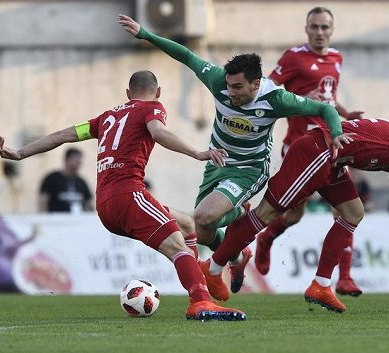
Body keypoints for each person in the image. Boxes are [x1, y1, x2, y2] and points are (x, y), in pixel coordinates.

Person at [118, 15, 353, 300]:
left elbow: (325, 110)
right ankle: (238, 254)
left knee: (202, 216)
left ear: (256, 84)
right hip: (217, 163)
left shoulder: (276, 98)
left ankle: (241, 214)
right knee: (204, 233)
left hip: (250, 169)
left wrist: (337, 131)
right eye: (228, 86)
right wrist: (146, 34)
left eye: (238, 88)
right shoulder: (219, 80)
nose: (231, 93)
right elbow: (186, 55)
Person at [0, 70, 246, 321]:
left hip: (105, 205)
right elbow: (158, 133)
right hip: (129, 195)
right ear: (158, 92)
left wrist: (20, 153)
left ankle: (199, 273)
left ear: (127, 94)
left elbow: (63, 135)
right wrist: (197, 153)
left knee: (187, 223)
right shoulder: (153, 107)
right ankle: (201, 301)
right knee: (177, 247)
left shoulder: (106, 118)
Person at [204, 118, 389, 311]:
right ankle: (214, 268)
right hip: (317, 149)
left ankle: (322, 285)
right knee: (267, 213)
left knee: (353, 212)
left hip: (334, 162)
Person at [262, 6, 365, 296]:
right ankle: (267, 238)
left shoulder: (337, 58)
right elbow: (269, 89)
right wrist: (297, 102)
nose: (320, 33)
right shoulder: (294, 57)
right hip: (299, 145)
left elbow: (328, 96)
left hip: (332, 144)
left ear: (332, 30)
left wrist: (345, 112)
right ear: (306, 29)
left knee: (345, 210)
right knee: (294, 214)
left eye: (325, 28)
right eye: (315, 27)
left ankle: (344, 277)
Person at [38, 147, 93, 213]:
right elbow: (43, 200)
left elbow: (88, 203)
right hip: (57, 220)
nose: (78, 163)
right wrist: (45, 218)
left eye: (79, 160)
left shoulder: (81, 182)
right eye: (75, 159)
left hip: (78, 221)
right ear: (67, 159)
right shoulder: (52, 178)